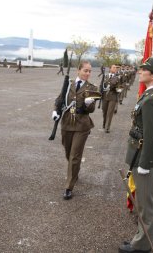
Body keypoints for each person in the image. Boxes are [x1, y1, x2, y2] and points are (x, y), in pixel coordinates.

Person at [119, 57, 153, 253]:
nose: (140, 71)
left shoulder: (152, 99)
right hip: (141, 153)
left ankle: (141, 246)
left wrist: (146, 161)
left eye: (144, 69)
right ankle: (140, 238)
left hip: (144, 158)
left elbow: (151, 133)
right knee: (144, 202)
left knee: (146, 205)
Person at [52, 60, 98, 200]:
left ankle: (68, 187)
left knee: (75, 155)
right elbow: (59, 99)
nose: (88, 73)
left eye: (90, 71)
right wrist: (55, 111)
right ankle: (74, 172)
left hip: (82, 125)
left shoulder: (92, 88)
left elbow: (91, 109)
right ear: (78, 70)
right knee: (68, 152)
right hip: (66, 123)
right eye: (85, 70)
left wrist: (87, 104)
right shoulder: (68, 85)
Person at [102, 64, 120, 133]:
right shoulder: (105, 76)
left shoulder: (118, 77)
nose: (115, 68)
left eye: (116, 68)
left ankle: (107, 127)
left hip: (113, 96)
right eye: (114, 67)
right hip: (105, 96)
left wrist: (117, 89)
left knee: (110, 113)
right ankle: (104, 124)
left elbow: (120, 87)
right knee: (104, 111)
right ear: (110, 68)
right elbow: (102, 85)